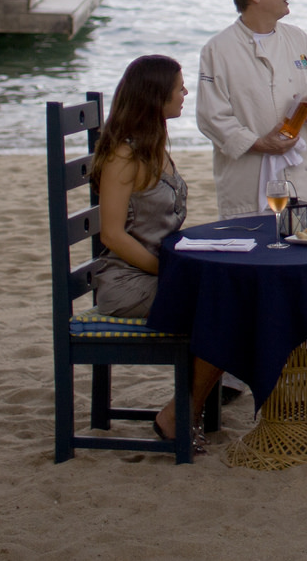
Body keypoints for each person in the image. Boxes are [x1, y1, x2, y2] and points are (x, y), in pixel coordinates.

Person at [87, 53, 225, 444]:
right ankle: (180, 412)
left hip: (157, 270)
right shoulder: (124, 156)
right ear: (155, 95)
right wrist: (166, 272)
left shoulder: (155, 146)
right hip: (126, 282)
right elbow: (113, 235)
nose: (184, 92)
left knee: (231, 294)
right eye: (178, 87)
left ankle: (187, 407)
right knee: (222, 306)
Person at [192, 0, 307, 219]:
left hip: (304, 177)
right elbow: (211, 117)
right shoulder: (218, 50)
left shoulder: (297, 38)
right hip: (248, 184)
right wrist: (259, 143)